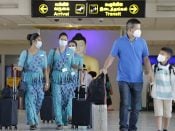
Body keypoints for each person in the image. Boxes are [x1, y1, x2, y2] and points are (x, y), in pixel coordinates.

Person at [102, 18, 153, 131]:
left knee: (136, 106)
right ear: (130, 29)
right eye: (137, 29)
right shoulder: (119, 42)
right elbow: (111, 57)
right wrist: (104, 68)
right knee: (124, 104)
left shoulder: (142, 42)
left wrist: (149, 72)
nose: (139, 31)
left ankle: (132, 127)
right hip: (123, 78)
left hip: (138, 79)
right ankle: (123, 127)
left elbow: (146, 59)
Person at [13, 33, 49, 130]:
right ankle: (33, 121)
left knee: (39, 100)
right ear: (33, 41)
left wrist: (47, 82)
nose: (40, 42)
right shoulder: (25, 53)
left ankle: (32, 117)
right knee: (30, 101)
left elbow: (45, 69)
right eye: (39, 40)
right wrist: (17, 67)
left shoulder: (43, 53)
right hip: (28, 79)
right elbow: (20, 66)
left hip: (39, 80)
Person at [48, 32, 75, 130]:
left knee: (67, 100)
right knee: (57, 100)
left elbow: (72, 66)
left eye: (65, 39)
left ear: (67, 41)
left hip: (67, 80)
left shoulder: (70, 52)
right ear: (58, 39)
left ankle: (65, 119)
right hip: (56, 79)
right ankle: (59, 122)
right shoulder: (53, 51)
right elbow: (48, 66)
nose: (63, 41)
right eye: (62, 39)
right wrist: (47, 80)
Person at [151, 47, 175, 131]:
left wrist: (174, 96)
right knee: (158, 113)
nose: (159, 55)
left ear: (168, 57)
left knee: (167, 114)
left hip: (168, 95)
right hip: (157, 95)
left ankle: (165, 129)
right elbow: (151, 79)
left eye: (162, 54)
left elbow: (173, 83)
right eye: (159, 53)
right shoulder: (154, 67)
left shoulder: (172, 69)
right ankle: (159, 129)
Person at [67, 40, 83, 123]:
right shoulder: (65, 56)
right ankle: (68, 116)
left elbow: (81, 70)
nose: (71, 47)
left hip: (74, 81)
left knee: (72, 98)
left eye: (73, 45)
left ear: (76, 47)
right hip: (65, 80)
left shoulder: (79, 58)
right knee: (67, 98)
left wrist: (81, 82)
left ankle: (71, 115)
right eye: (70, 45)